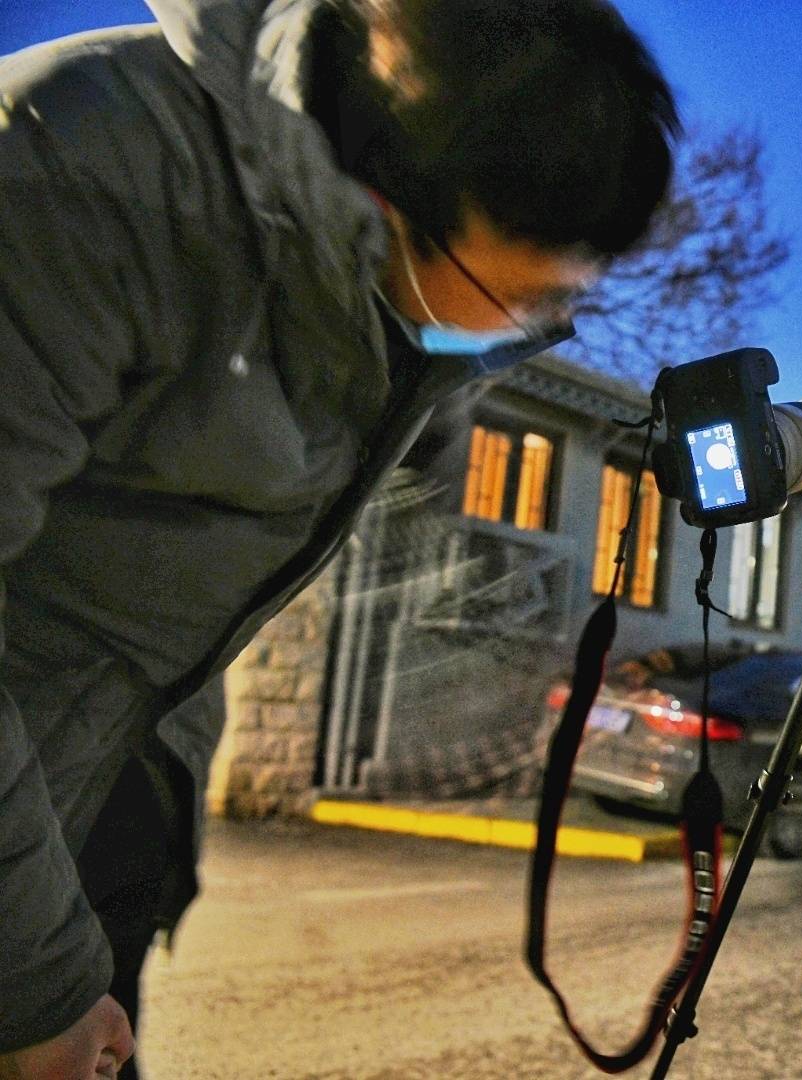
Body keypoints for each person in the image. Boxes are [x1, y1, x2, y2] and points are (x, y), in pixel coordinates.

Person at [0, 0, 678, 1076]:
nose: (531, 332)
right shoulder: (72, 167)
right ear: (382, 208)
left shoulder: (397, 284)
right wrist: (30, 986)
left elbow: (405, 461)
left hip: (117, 779)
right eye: (518, 298)